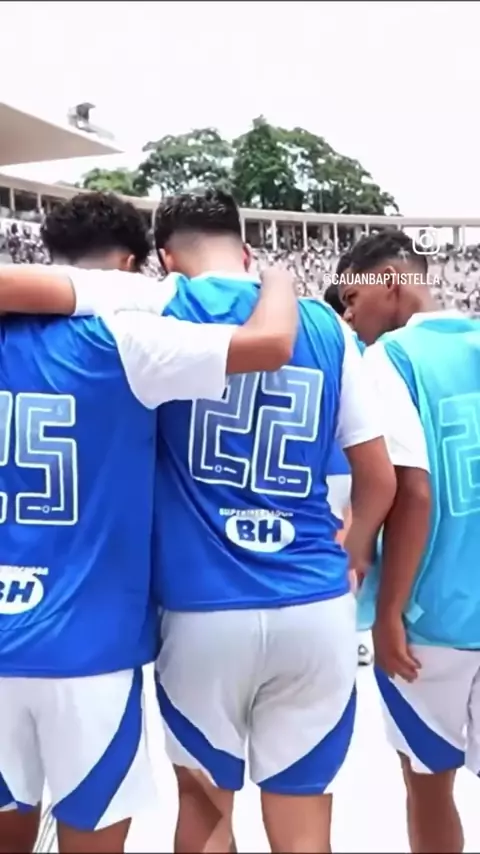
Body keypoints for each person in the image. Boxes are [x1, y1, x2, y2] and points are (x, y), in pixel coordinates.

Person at [0, 189, 396, 854]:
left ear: (163, 257)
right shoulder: (321, 327)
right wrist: (355, 550)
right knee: (304, 823)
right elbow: (379, 478)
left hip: (199, 605)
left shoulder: (156, 307)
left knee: (205, 809)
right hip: (312, 599)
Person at [341, 228, 480, 854]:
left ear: (391, 284)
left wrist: (390, 610)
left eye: (352, 297)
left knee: (428, 786)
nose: (349, 315)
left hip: (432, 620)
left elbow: (413, 491)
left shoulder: (390, 358)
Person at [324, 271, 372, 667]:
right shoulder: (364, 349)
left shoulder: (322, 343)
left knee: (335, 547)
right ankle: (356, 632)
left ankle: (346, 632)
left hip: (326, 463)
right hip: (357, 462)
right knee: (354, 546)